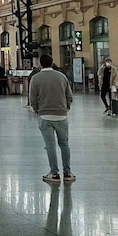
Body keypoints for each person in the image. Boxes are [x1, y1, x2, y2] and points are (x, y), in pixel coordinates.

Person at [30, 54, 75, 182]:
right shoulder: (62, 77)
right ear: (52, 63)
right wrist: (65, 108)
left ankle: (54, 173)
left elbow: (32, 98)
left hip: (45, 116)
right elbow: (69, 96)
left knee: (50, 145)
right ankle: (68, 173)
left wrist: (37, 110)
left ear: (40, 64)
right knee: (64, 144)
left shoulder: (36, 78)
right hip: (61, 115)